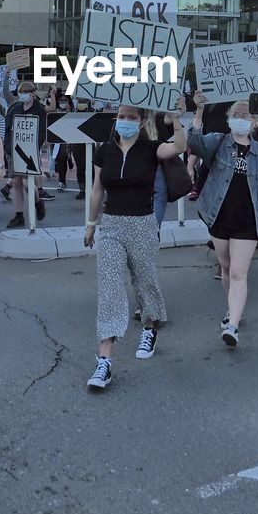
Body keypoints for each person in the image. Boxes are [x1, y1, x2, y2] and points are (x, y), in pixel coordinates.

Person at [83, 101, 187, 390]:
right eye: (121, 116)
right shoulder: (104, 151)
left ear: (140, 122)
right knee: (109, 288)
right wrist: (91, 225)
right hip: (112, 224)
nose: (125, 120)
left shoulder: (151, 148)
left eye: (131, 117)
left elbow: (178, 146)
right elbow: (96, 190)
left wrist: (177, 120)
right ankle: (104, 361)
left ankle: (150, 327)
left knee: (145, 282)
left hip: (142, 223)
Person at [189, 94, 258, 347]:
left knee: (240, 272)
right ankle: (233, 309)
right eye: (236, 115)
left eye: (245, 116)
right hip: (220, 216)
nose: (240, 119)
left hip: (247, 220)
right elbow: (194, 142)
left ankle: (233, 326)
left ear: (255, 122)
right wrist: (198, 111)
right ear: (229, 120)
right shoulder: (218, 142)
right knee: (227, 268)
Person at [4, 81, 47, 227]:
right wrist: (8, 148)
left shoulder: (40, 110)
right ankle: (18, 215)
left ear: (33, 94)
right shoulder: (14, 109)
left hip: (31, 151)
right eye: (21, 93)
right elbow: (8, 129)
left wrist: (35, 147)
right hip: (14, 151)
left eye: (26, 93)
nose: (23, 95)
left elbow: (42, 132)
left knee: (27, 183)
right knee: (16, 182)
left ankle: (37, 201)